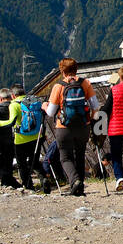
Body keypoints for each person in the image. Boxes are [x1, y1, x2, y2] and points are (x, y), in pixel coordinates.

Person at [45, 59, 97, 196]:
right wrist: (89, 119)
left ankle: (74, 181)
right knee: (80, 155)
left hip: (64, 127)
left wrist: (44, 106)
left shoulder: (59, 86)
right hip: (83, 127)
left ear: (62, 71)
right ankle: (80, 187)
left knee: (65, 157)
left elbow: (51, 112)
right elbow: (95, 106)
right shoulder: (85, 83)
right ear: (76, 69)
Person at [0, 85, 42, 191]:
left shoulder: (14, 105)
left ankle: (28, 185)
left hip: (21, 138)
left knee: (22, 164)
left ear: (13, 95)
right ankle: (43, 179)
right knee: (34, 161)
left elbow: (11, 122)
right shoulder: (33, 101)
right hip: (36, 136)